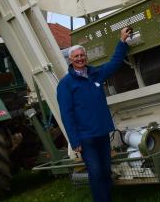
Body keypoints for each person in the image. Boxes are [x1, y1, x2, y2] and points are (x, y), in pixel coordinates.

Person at [57, 27, 132, 202]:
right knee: (96, 172)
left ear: (86, 57)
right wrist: (74, 141)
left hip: (102, 133)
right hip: (85, 138)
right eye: (76, 56)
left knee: (105, 171)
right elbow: (66, 114)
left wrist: (122, 41)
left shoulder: (96, 74)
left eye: (82, 55)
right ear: (70, 59)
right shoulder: (66, 84)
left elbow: (114, 63)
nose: (80, 58)